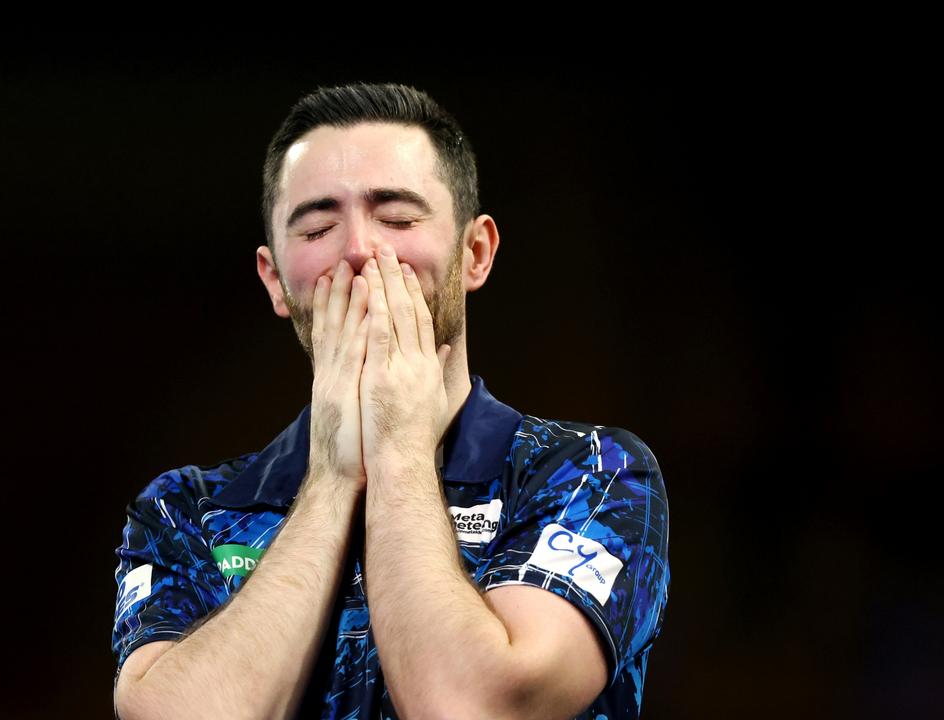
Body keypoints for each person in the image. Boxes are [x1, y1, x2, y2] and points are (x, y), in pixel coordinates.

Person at [111, 82, 671, 719]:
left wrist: (400, 449)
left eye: (399, 218)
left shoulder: (591, 473)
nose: (357, 250)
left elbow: (471, 707)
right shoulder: (187, 511)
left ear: (475, 253)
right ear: (275, 279)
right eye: (319, 226)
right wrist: (330, 477)